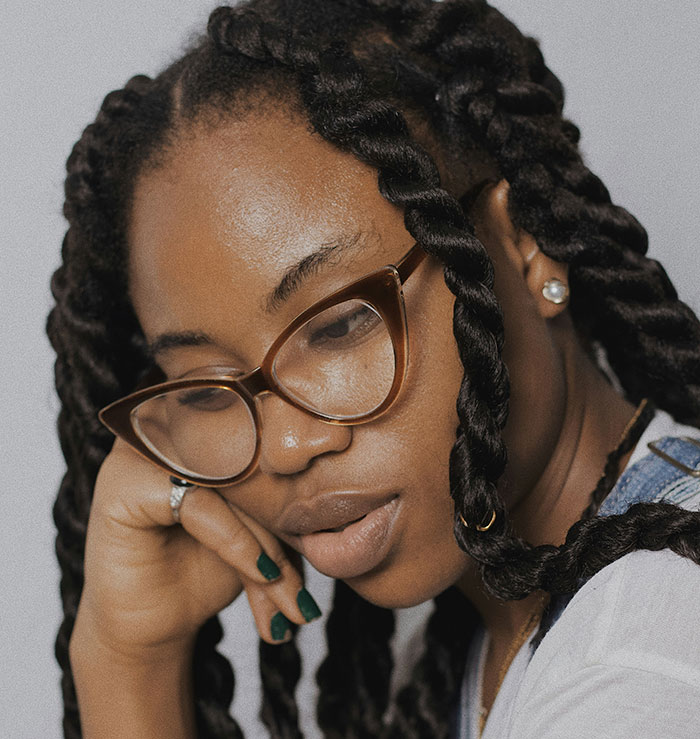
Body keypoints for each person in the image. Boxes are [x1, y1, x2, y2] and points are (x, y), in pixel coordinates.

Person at [47, 1, 700, 737]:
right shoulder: (496, 634)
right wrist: (128, 651)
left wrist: (124, 673)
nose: (286, 447)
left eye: (338, 326)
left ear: (527, 242)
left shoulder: (645, 660)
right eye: (208, 389)